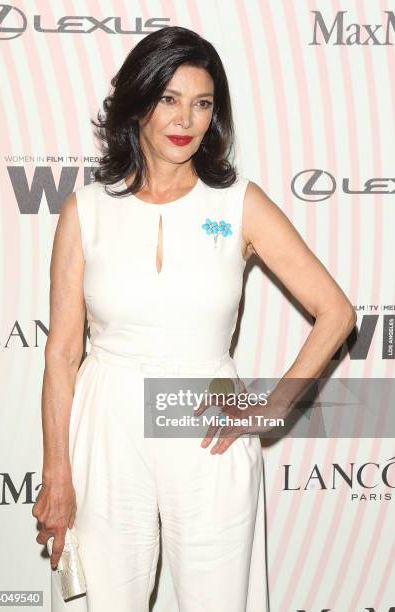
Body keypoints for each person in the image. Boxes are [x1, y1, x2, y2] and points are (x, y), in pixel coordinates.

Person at [31, 26, 356, 612]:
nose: (186, 119)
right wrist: (56, 473)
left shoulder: (238, 204)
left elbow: (335, 313)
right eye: (169, 98)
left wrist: (270, 405)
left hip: (204, 416)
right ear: (138, 103)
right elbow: (61, 354)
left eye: (202, 103)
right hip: (107, 418)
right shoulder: (88, 211)